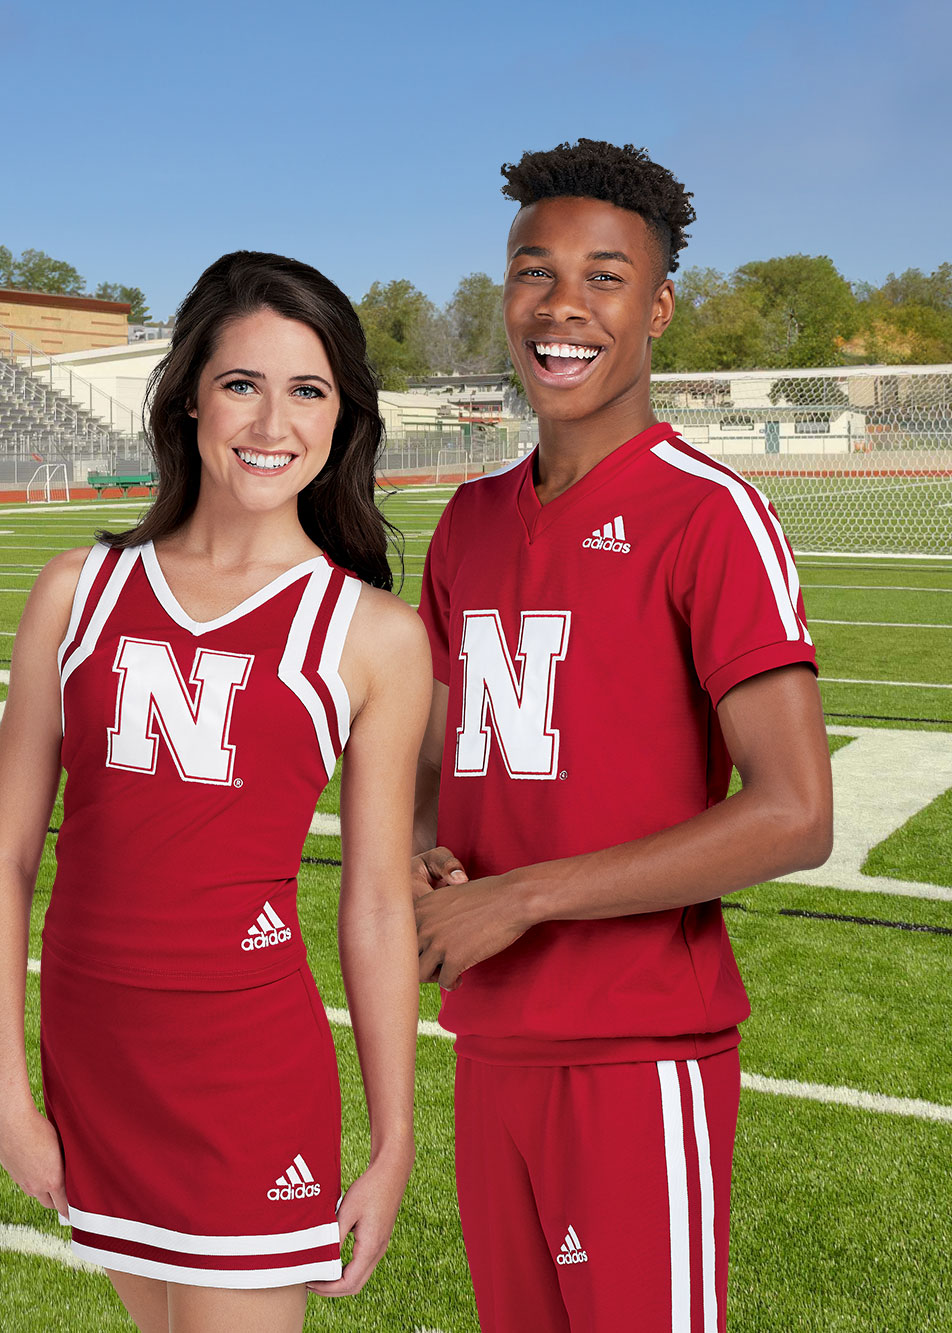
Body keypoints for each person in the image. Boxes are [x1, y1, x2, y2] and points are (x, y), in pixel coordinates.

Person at [410, 140, 834, 1332]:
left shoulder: (709, 515)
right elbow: (430, 759)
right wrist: (412, 852)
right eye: (531, 272)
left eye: (602, 277)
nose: (560, 306)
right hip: (490, 1038)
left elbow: (795, 813)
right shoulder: (465, 520)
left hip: (637, 1050)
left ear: (655, 311)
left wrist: (523, 896)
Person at [0, 251, 428, 1332]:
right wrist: (4, 1094)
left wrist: (393, 1139)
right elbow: (5, 859)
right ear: (187, 397)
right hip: (96, 1068)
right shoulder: (76, 591)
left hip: (246, 1073)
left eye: (307, 389)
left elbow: (373, 903)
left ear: (342, 416)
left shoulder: (372, 634)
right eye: (240, 384)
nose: (272, 422)